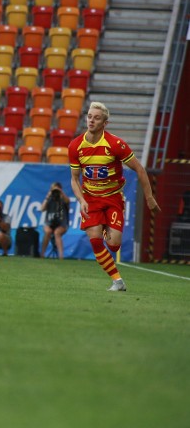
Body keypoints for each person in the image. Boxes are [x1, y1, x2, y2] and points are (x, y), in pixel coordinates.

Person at [69, 102, 160, 291]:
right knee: (94, 240)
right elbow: (74, 179)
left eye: (97, 117)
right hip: (91, 200)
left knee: (114, 244)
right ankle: (118, 281)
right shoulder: (75, 146)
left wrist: (149, 197)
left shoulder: (115, 144)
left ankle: (103, 227)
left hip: (112, 198)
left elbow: (140, 169)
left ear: (105, 123)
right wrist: (82, 200)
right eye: (89, 116)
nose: (91, 120)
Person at [40, 181, 70, 259]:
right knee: (48, 232)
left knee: (57, 233)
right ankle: (42, 254)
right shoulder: (49, 199)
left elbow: (68, 201)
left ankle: (61, 256)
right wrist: (48, 196)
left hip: (62, 223)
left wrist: (61, 193)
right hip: (49, 222)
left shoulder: (63, 199)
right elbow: (42, 209)